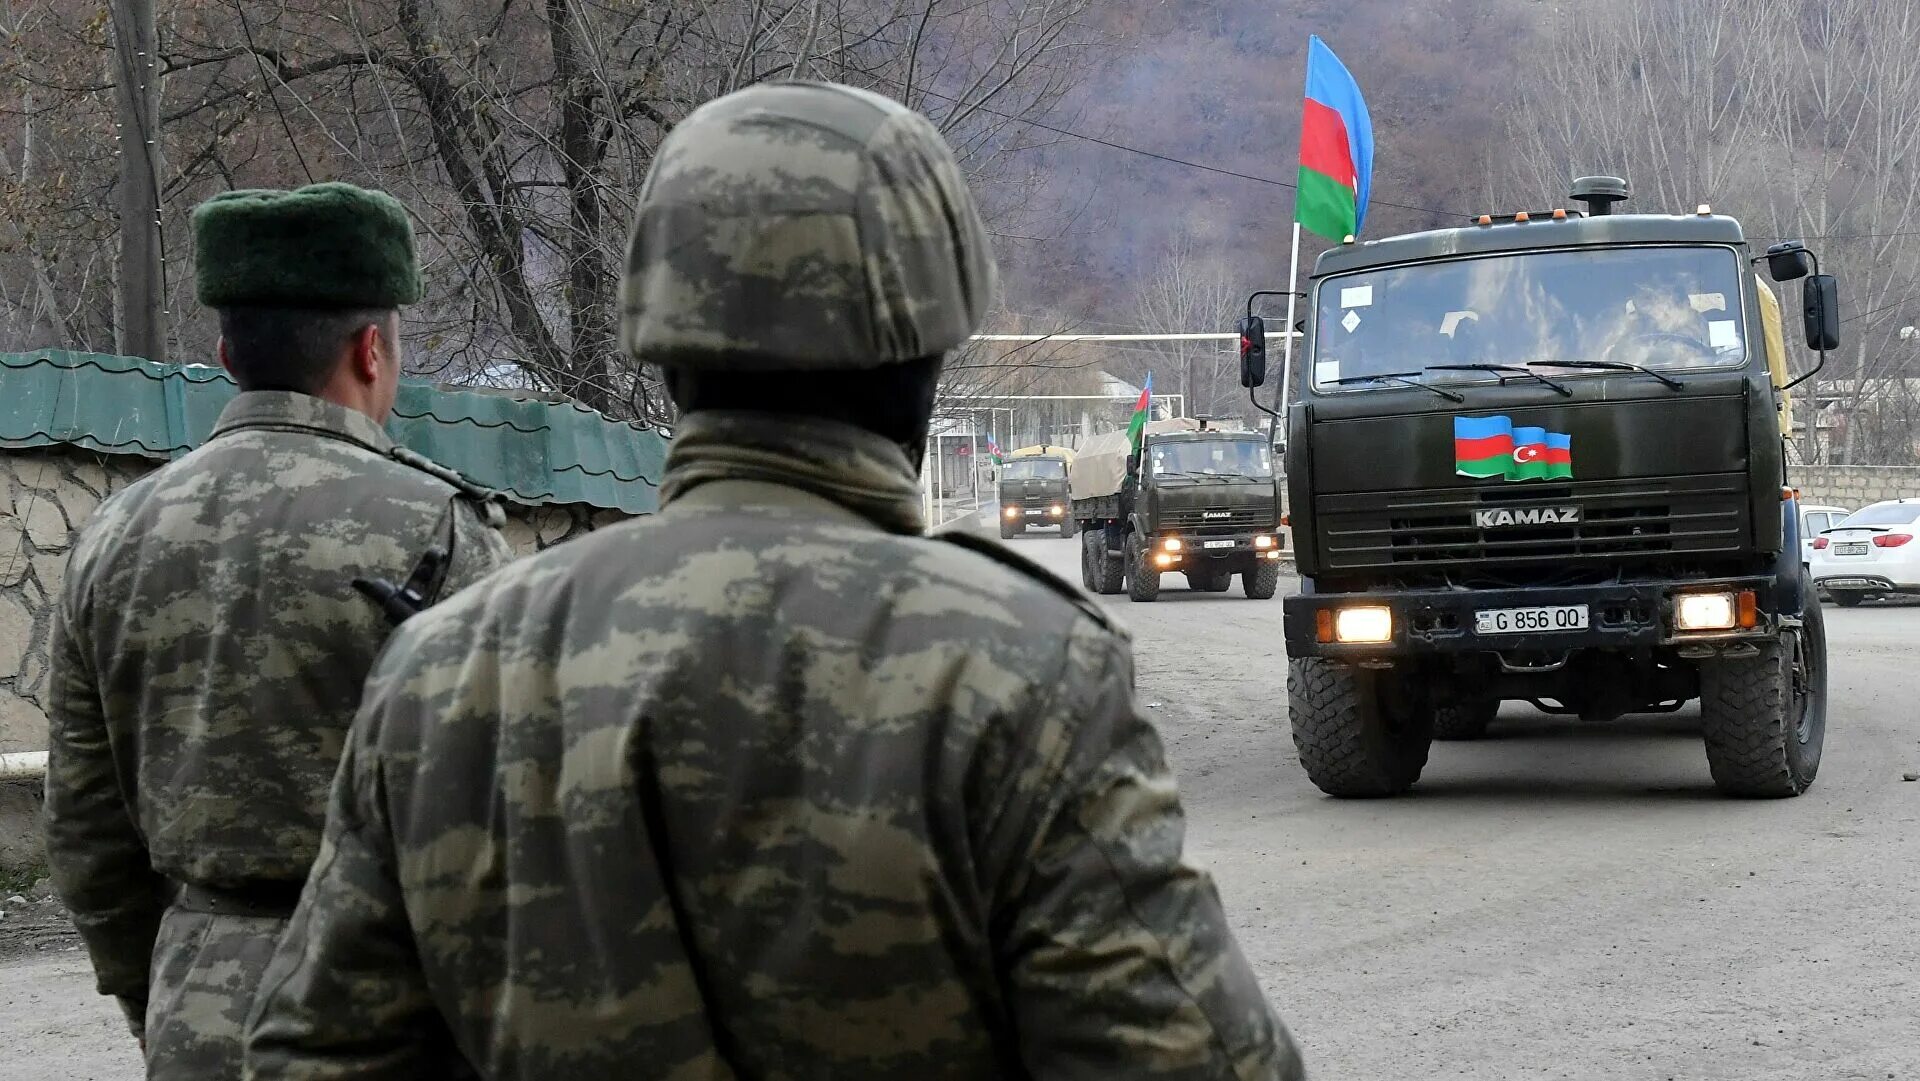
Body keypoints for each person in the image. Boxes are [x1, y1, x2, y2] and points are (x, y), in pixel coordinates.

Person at [243, 82, 1302, 1080]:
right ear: (931, 346)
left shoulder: (441, 672)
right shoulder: (1018, 673)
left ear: (663, 342)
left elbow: (313, 1054)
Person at [43, 181, 514, 1080]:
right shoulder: (441, 529)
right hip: (396, 1016)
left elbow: (86, 828)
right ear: (372, 349)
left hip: (195, 1006)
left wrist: (162, 993)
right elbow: (498, 814)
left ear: (225, 351)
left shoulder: (114, 537)